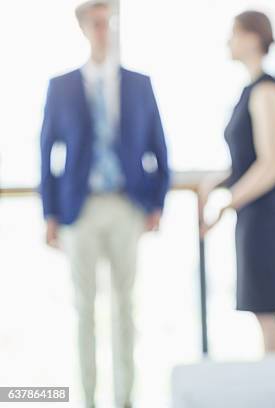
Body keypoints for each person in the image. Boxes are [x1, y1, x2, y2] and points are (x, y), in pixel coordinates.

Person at [40, 1, 170, 407]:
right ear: (82, 28)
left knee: (125, 308)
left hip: (127, 207)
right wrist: (49, 214)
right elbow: (47, 154)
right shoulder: (61, 86)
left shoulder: (138, 83)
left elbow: (159, 149)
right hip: (79, 210)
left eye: (109, 22)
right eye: (96, 23)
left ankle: (125, 399)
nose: (104, 30)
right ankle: (88, 400)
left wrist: (156, 202)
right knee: (84, 310)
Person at [199, 10, 275, 354]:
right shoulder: (250, 90)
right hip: (251, 213)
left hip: (264, 215)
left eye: (233, 33)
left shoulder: (266, 90)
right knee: (260, 311)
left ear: (252, 38)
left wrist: (225, 204)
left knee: (266, 313)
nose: (228, 41)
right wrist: (217, 181)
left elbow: (269, 166)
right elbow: (246, 160)